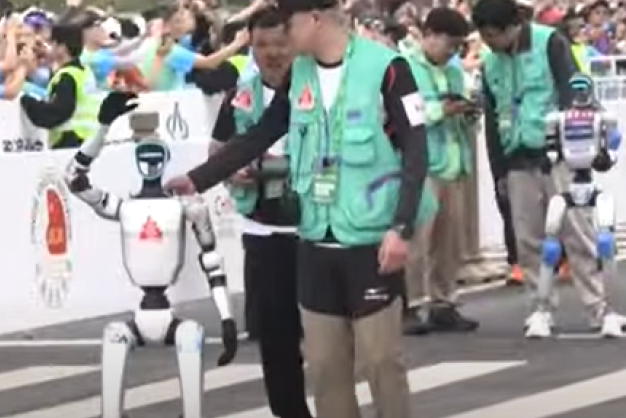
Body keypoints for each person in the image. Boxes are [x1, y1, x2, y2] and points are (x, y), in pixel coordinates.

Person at [165, 0, 437, 416]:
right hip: (314, 239)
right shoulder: (301, 74)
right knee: (325, 367)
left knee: (380, 361)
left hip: (371, 241)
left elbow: (416, 151)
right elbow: (263, 132)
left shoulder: (388, 68)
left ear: (313, 19)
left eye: (288, 26)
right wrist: (198, 177)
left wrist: (401, 227)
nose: (283, 38)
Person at [473, 0, 626, 337]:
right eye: (484, 36)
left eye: (493, 35)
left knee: (577, 232)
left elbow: (575, 94)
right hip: (516, 158)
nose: (489, 42)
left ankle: (599, 307)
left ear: (512, 26)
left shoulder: (549, 43)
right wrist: (499, 172)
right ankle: (539, 308)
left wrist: (580, 148)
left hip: (560, 157)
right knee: (528, 240)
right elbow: (493, 121)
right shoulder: (489, 64)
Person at [208, 7, 311, 418]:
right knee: (276, 339)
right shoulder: (241, 94)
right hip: (263, 230)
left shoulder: (317, 88)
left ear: (295, 42)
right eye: (261, 45)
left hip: (316, 227)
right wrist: (233, 171)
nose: (272, 53)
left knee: (328, 335)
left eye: (280, 44)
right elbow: (218, 152)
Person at [402, 7, 479, 336]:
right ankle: (410, 305)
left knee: (449, 243)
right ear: (429, 35)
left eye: (459, 46)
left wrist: (467, 111)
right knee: (416, 242)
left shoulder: (454, 72)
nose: (453, 52)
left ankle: (443, 303)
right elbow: (401, 116)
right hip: (420, 167)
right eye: (450, 44)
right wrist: (440, 110)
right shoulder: (404, 67)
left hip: (453, 163)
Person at [21, 23, 101, 149]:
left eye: (51, 43)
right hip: (88, 139)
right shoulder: (85, 72)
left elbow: (57, 113)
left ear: (61, 47)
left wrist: (27, 102)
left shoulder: (67, 77)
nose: (48, 47)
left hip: (70, 140)